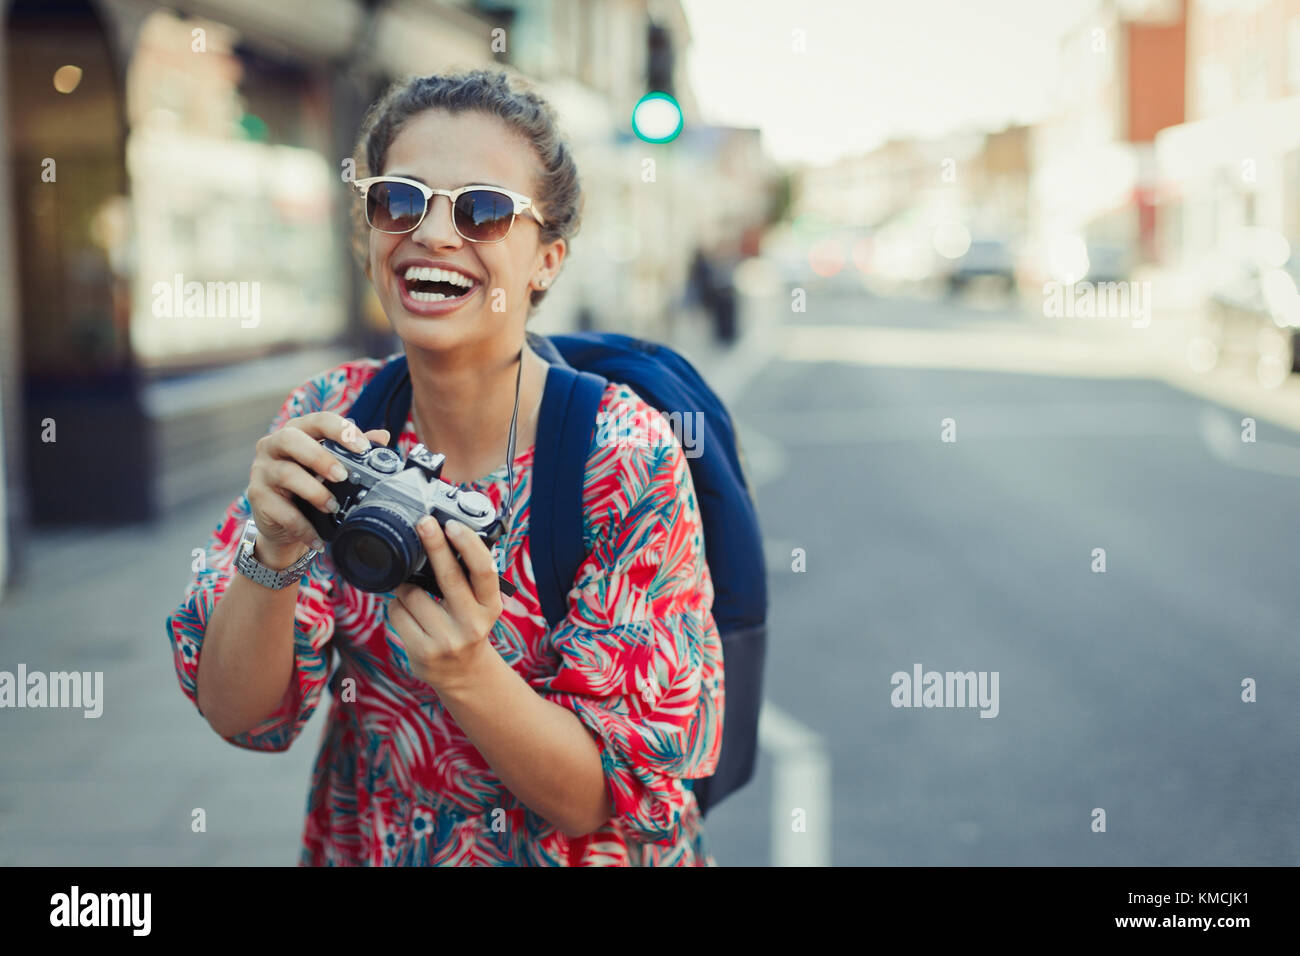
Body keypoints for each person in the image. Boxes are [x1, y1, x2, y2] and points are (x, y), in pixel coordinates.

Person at [164, 69, 724, 866]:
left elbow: (597, 798)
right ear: (369, 237)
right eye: (401, 201)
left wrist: (465, 670)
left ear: (547, 260)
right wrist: (273, 555)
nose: (432, 235)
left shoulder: (622, 459)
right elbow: (240, 714)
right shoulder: (331, 418)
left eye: (484, 210)